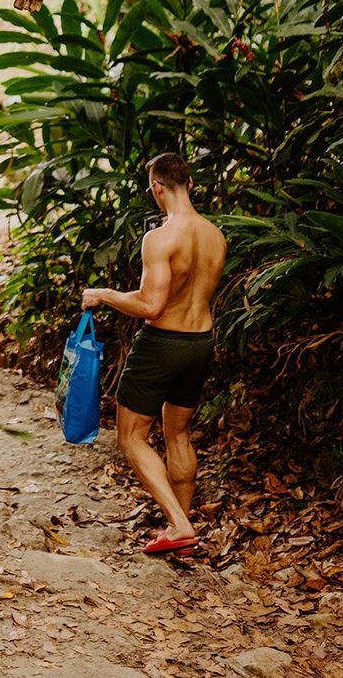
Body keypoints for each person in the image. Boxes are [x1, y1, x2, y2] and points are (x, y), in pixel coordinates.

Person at [81, 152, 226, 555]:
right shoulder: (215, 234)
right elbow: (183, 292)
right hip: (200, 342)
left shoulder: (159, 238)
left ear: (156, 188)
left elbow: (151, 306)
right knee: (178, 433)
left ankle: (179, 525)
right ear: (191, 184)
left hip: (162, 344)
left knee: (130, 436)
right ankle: (183, 533)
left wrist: (104, 294)